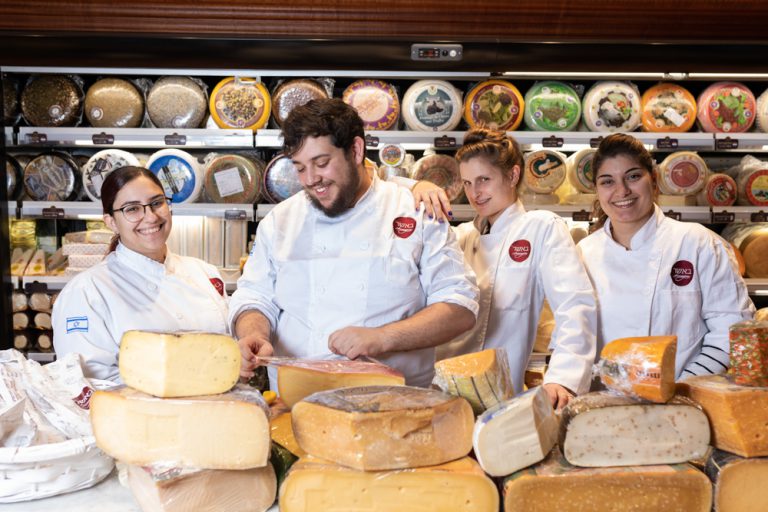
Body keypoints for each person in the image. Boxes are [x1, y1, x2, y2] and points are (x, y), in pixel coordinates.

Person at [230, 98, 479, 388]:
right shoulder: (280, 221)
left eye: (321, 163)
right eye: (300, 168)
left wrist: (382, 337)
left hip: (395, 402)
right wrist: (254, 334)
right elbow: (255, 297)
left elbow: (459, 307)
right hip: (298, 399)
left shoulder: (415, 211)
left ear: (356, 150)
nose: (311, 180)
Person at [432, 128, 597, 409]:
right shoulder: (460, 236)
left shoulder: (540, 227)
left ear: (513, 175)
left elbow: (575, 305)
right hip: (441, 391)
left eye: (484, 180)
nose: (474, 193)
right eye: (468, 182)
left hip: (501, 399)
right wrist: (416, 188)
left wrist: (563, 379)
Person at [577, 133, 755, 379]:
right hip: (605, 405)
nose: (622, 190)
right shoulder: (583, 253)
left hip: (686, 401)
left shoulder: (698, 243)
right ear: (596, 190)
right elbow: (573, 336)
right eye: (608, 181)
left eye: (633, 176)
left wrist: (682, 388)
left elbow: (732, 329)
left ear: (654, 180)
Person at [52, 166, 229, 381]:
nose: (150, 217)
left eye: (156, 203)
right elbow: (89, 381)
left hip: (216, 409)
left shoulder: (204, 272)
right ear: (111, 222)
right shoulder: (86, 292)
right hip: (141, 414)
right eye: (132, 209)